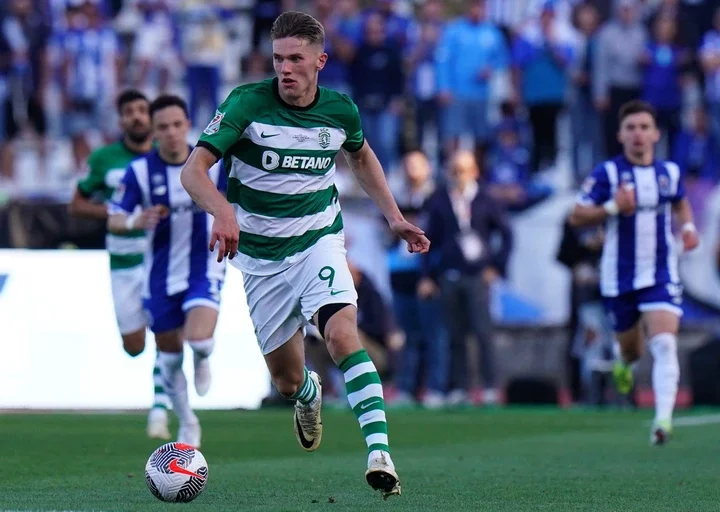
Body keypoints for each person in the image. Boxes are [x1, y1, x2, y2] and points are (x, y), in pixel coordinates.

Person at [180, 11, 429, 498]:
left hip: (318, 238)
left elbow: (360, 155)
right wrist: (222, 211)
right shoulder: (245, 105)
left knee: (341, 335)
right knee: (288, 381)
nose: (286, 69)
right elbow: (194, 171)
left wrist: (393, 215)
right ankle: (308, 395)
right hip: (259, 257)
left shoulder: (340, 111)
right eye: (278, 59)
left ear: (320, 61)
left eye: (296, 59)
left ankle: (380, 452)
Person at [570, 100, 700, 445]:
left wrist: (687, 227)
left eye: (644, 127)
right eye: (631, 128)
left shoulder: (668, 173)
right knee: (632, 350)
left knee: (664, 344)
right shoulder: (608, 173)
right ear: (620, 135)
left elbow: (680, 201)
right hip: (620, 276)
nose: (638, 134)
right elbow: (576, 216)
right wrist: (613, 206)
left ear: (656, 133)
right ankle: (624, 365)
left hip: (660, 272)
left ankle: (662, 421)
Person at [108, 95, 227, 448]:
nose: (172, 133)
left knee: (200, 340)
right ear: (154, 132)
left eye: (178, 125)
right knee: (170, 358)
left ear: (188, 125)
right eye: (163, 127)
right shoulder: (140, 172)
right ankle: (187, 422)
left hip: (203, 269)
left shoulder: (214, 166)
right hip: (158, 277)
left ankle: (204, 358)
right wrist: (134, 220)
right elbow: (114, 218)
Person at [69, 89, 171, 440]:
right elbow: (77, 204)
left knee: (165, 328)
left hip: (160, 255)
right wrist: (119, 214)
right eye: (130, 111)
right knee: (134, 346)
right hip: (122, 258)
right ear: (121, 119)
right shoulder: (104, 160)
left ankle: (159, 409)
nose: (138, 117)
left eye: (143, 110)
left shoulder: (167, 155)